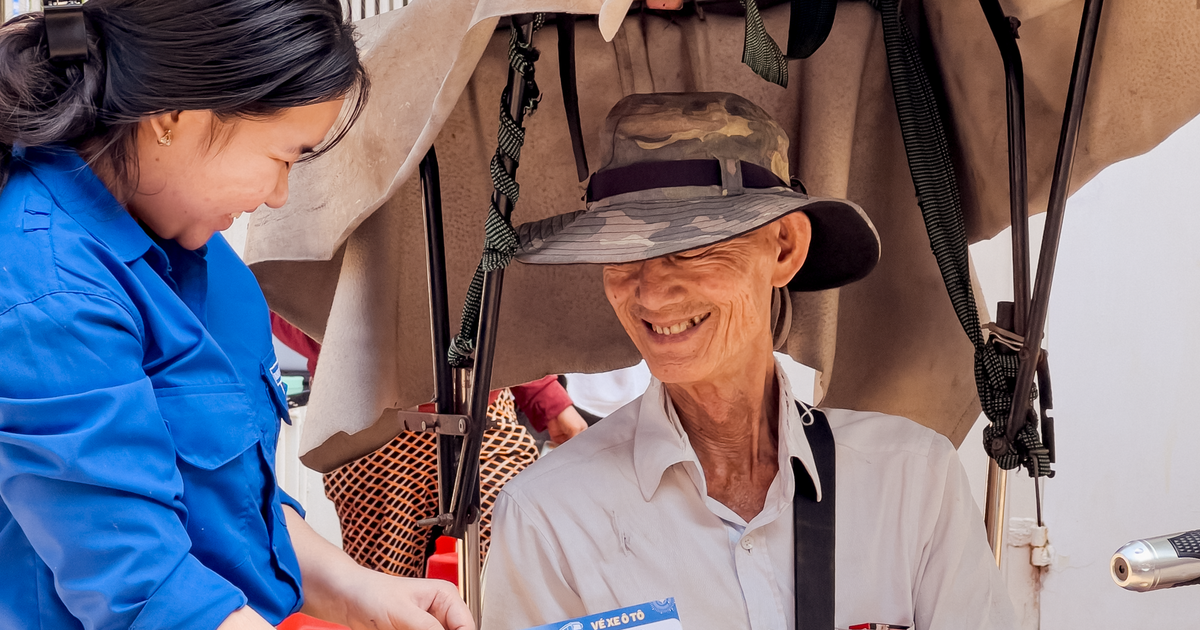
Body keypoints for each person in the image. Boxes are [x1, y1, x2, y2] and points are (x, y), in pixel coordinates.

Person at [0, 2, 471, 630]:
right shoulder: (48, 287)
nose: (277, 196)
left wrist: (363, 592)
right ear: (174, 118)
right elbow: (145, 591)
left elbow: (236, 506)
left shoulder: (191, 243)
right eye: (281, 157)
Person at [481, 92, 1018, 630]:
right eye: (620, 253)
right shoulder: (548, 516)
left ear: (784, 248)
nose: (651, 294)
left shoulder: (912, 482)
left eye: (691, 247)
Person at [270, 315, 588, 577]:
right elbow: (280, 298)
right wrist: (352, 333)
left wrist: (546, 396)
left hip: (479, 407)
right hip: (371, 422)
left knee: (509, 556)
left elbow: (504, 299)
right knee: (389, 586)